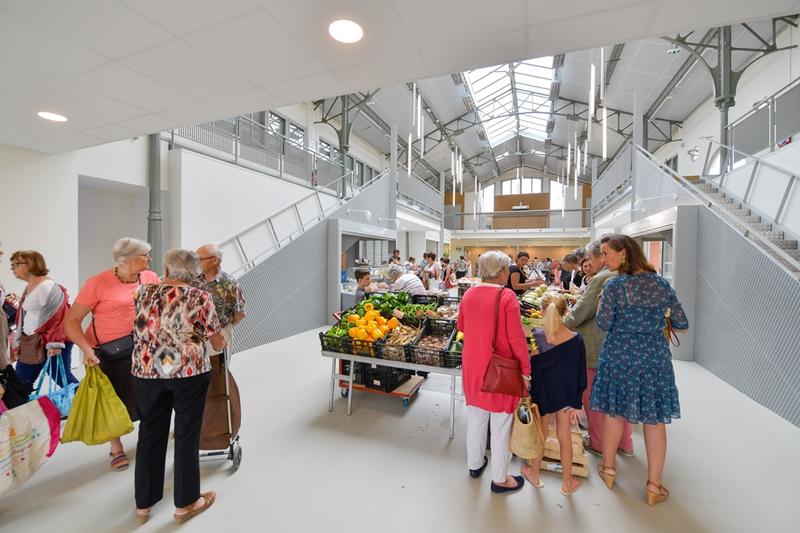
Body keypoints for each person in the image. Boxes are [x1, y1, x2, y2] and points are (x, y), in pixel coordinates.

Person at [591, 234, 688, 507]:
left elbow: (603, 323)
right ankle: (654, 485)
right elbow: (681, 323)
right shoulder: (661, 285)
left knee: (614, 411)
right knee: (654, 419)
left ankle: (609, 470)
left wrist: (601, 303)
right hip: (653, 359)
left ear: (624, 253)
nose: (603, 258)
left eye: (606, 253)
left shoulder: (614, 286)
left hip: (619, 355)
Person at [130, 249, 225, 524]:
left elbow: (144, 327)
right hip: (187, 371)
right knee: (186, 433)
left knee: (149, 432)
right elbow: (214, 336)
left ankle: (144, 504)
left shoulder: (142, 293)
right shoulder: (199, 296)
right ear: (195, 272)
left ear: (167, 269)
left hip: (147, 370)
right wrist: (220, 344)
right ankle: (186, 503)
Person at [65, 237, 161, 471]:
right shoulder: (97, 283)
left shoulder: (150, 277)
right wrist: (86, 350)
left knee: (150, 393)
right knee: (114, 398)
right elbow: (72, 320)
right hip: (109, 351)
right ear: (126, 260)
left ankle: (151, 438)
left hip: (144, 346)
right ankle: (116, 446)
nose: (150, 259)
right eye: (145, 255)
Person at [457, 251, 531, 494]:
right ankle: (500, 479)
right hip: (500, 370)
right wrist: (526, 372)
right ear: (500, 272)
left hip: (473, 367)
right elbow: (517, 340)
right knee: (500, 425)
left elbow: (462, 327)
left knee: (476, 420)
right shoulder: (507, 297)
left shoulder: (469, 294)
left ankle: (475, 465)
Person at [562, 241, 631, 458]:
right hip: (625, 348)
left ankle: (599, 442)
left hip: (596, 346)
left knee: (593, 397)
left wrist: (561, 323)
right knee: (619, 398)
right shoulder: (630, 276)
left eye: (593, 259)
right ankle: (625, 443)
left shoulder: (602, 279)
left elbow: (581, 312)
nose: (589, 264)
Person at [522, 291, 587, 496]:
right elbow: (580, 374)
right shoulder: (577, 340)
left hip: (543, 394)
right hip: (566, 395)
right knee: (564, 435)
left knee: (541, 433)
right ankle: (567, 483)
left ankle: (534, 473)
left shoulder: (537, 336)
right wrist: (577, 402)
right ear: (566, 311)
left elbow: (533, 366)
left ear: (542, 312)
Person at [9, 251, 77, 387]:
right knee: (21, 383)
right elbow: (25, 317)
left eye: (17, 264)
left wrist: (55, 343)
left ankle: (89, 404)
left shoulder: (47, 287)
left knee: (63, 379)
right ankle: (22, 408)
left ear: (31, 264)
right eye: (12, 265)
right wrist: (18, 341)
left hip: (50, 342)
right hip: (32, 342)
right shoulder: (30, 287)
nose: (12, 268)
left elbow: (60, 316)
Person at [193, 244, 246, 355]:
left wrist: (223, 329)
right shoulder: (193, 281)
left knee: (219, 371)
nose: (196, 262)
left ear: (215, 260)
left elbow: (240, 314)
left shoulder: (229, 283)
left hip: (220, 336)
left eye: (200, 259)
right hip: (195, 339)